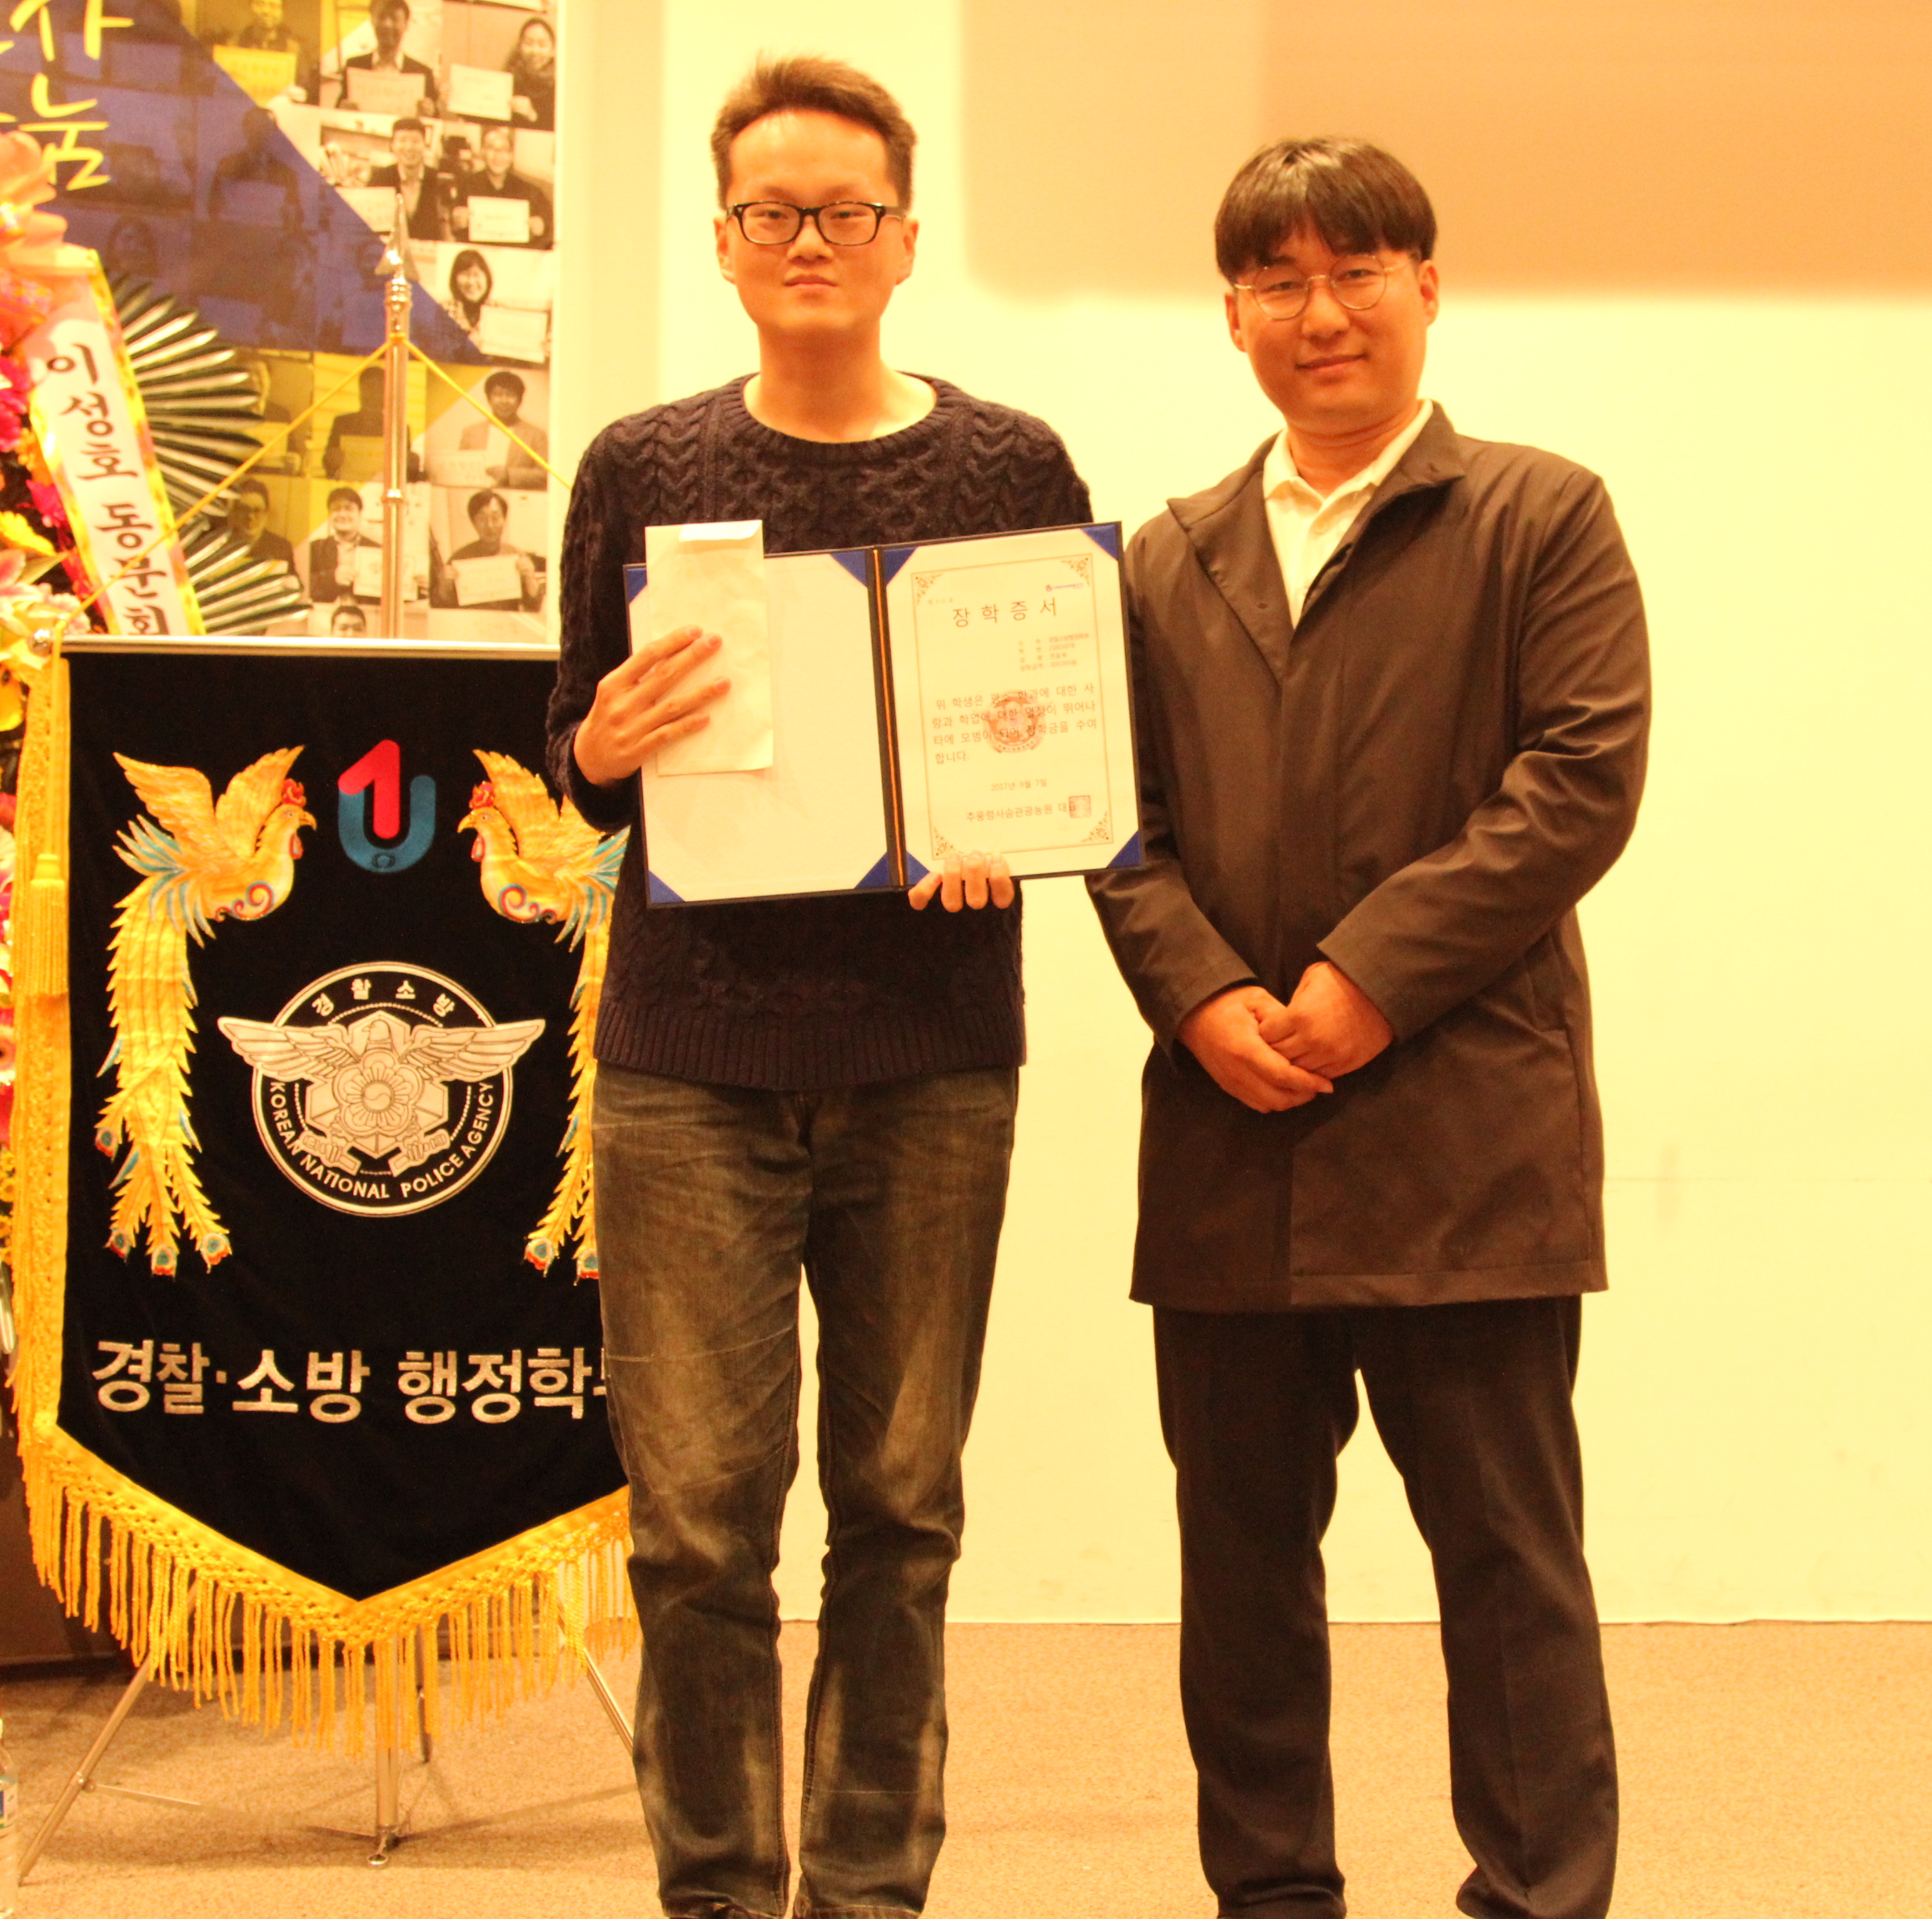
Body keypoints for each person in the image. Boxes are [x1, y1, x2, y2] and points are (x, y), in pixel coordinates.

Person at [543, 55, 1089, 1919]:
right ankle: (716, 1889)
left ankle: (866, 1891)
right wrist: (602, 741)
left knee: (902, 1509)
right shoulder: (641, 467)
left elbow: (1057, 736)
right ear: (723, 239)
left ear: (905, 239)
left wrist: (1006, 827)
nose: (808, 241)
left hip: (930, 1050)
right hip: (688, 1057)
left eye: (844, 211)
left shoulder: (1011, 465)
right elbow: (570, 751)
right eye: (772, 211)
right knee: (697, 1527)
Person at [1087, 137, 1650, 1919]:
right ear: (1233, 313)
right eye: (1279, 281)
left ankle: (1538, 1896)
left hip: (1466, 1139)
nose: (1319, 312)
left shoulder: (1541, 516)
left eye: (1355, 272)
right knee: (1242, 1572)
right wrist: (1200, 994)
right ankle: (1271, 1895)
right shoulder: (1162, 557)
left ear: (1427, 287)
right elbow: (1113, 822)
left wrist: (1363, 981)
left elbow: (1577, 785)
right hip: (1229, 1129)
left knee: (1507, 1561)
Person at [434, 487, 542, 609]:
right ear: (473, 523)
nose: (490, 526)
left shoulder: (517, 556)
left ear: (504, 520)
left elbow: (534, 607)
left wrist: (530, 579)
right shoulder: (459, 559)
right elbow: (443, 607)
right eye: (482, 519)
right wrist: (443, 586)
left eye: (495, 518)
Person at [449, 122, 551, 247]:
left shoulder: (529, 191)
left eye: (504, 150)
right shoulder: (466, 185)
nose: (498, 156)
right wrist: (457, 222)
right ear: (482, 153)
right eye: (491, 149)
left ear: (511, 156)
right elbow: (454, 229)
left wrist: (542, 226)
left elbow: (549, 225)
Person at [329, 0, 438, 115]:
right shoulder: (354, 66)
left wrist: (431, 112)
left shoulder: (422, 73)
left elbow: (436, 119)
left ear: (406, 25)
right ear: (372, 21)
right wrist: (342, 109)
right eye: (381, 17)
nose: (387, 24)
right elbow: (337, 113)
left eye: (394, 19)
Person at [365, 116, 456, 237]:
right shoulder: (379, 179)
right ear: (392, 145)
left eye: (415, 141)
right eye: (402, 140)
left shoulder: (439, 180)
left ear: (424, 145)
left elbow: (448, 229)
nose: (409, 148)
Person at [209, 0, 313, 99]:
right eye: (260, 4)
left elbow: (303, 90)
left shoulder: (293, 50)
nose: (266, 11)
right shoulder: (233, 45)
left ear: (282, 12)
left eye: (273, 6)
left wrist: (295, 93)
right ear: (251, 7)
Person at [305, 485, 369, 603]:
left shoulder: (377, 549)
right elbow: (301, 585)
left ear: (360, 514)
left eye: (349, 508)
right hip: (323, 611)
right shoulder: (315, 548)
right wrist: (332, 578)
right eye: (336, 509)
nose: (342, 515)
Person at [506, 16, 556, 128]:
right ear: (519, 46)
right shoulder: (509, 79)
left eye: (542, 45)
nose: (535, 51)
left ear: (553, 50)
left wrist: (532, 115)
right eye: (528, 43)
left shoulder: (559, 87)